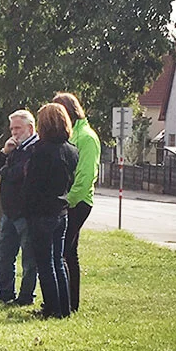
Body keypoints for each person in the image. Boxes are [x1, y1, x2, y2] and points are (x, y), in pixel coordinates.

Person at [22, 103, 78, 319]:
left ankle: (52, 308)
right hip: (60, 210)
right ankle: (64, 307)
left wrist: (25, 209)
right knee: (58, 260)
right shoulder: (71, 150)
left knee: (45, 263)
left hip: (41, 212)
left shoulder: (40, 152)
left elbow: (32, 185)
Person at [0, 110, 39, 305]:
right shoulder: (14, 148)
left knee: (29, 258)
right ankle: (5, 292)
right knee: (4, 254)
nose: (14, 132)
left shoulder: (36, 149)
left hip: (26, 212)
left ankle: (26, 296)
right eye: (12, 129)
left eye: (18, 128)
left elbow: (19, 174)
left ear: (30, 128)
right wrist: (4, 153)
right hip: (9, 211)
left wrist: (6, 170)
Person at [52, 92, 99, 313]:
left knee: (63, 253)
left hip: (78, 202)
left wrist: (66, 201)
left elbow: (85, 177)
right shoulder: (72, 136)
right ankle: (70, 303)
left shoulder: (86, 137)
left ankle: (65, 304)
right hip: (68, 200)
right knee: (69, 253)